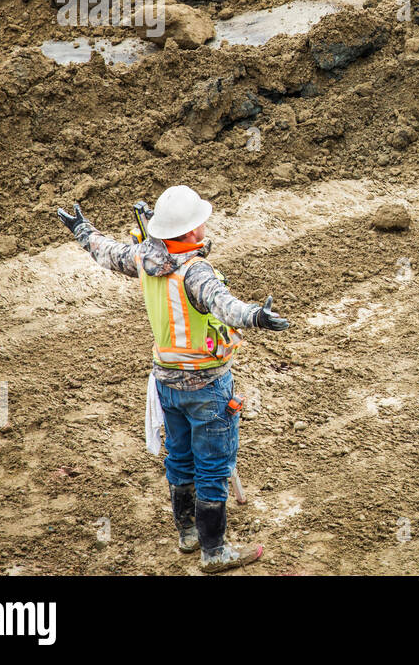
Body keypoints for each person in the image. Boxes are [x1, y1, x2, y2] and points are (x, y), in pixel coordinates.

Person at [57, 184, 288, 573]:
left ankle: (187, 533)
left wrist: (82, 228)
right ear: (191, 231)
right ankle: (214, 552)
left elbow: (106, 252)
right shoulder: (195, 271)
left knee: (180, 458)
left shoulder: (144, 256)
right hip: (207, 386)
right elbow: (223, 305)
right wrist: (256, 317)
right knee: (213, 466)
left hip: (166, 382)